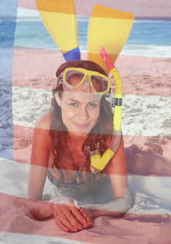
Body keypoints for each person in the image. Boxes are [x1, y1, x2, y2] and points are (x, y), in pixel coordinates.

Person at [25, 60, 132, 233]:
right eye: (73, 104)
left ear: (100, 104)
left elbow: (124, 199)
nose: (83, 117)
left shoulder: (110, 132)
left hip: (100, 185)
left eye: (92, 105)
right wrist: (55, 207)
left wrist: (90, 211)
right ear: (59, 99)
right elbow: (31, 200)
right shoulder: (46, 127)